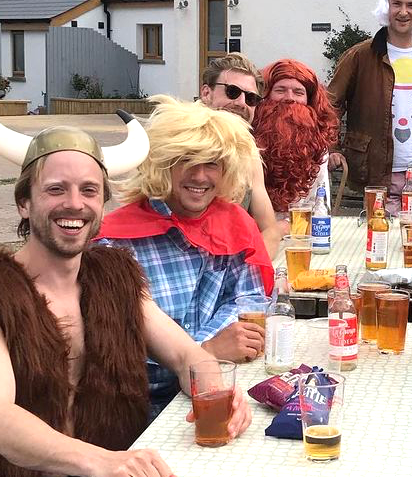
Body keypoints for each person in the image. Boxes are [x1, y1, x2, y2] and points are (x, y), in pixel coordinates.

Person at [0, 92, 251, 476]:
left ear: (102, 202)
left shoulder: (116, 278)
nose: (75, 203)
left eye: (89, 191)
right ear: (24, 203)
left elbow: (186, 356)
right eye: (56, 189)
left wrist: (218, 394)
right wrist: (102, 460)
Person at [98, 95, 274, 419]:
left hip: (211, 389)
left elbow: (249, 298)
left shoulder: (234, 223)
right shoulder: (112, 242)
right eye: (187, 160)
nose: (200, 176)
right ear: (162, 164)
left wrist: (213, 346)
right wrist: (207, 350)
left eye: (212, 164)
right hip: (135, 414)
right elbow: (113, 347)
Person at [327, 0, 412, 216]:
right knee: (380, 240)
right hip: (376, 173)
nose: (403, 12)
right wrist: (333, 147)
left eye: (411, 5)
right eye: (397, 4)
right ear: (386, 8)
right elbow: (330, 104)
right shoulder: (360, 56)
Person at [199, 53, 281, 257]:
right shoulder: (176, 141)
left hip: (229, 267)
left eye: (251, 98)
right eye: (232, 92)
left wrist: (251, 275)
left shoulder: (248, 151)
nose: (242, 103)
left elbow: (269, 230)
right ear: (206, 92)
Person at [252, 58, 339, 221]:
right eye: (280, 90)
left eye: (298, 92)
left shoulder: (318, 147)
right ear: (265, 96)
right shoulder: (249, 139)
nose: (289, 98)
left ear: (309, 101)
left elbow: (318, 203)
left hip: (299, 229)